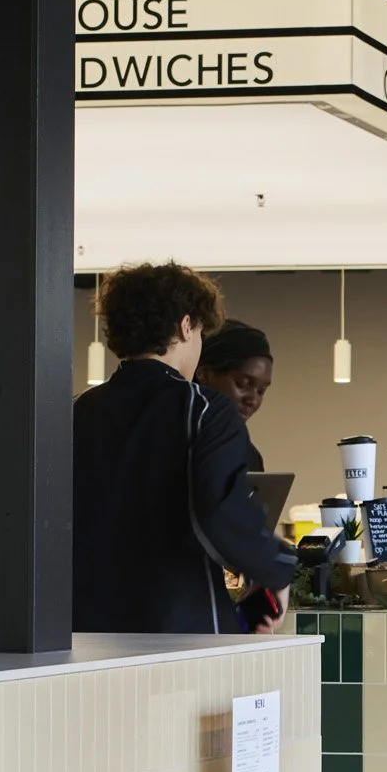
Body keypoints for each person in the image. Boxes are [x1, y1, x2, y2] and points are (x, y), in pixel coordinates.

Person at [73, 262, 296, 635]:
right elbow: (218, 514)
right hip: (178, 625)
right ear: (185, 325)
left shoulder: (78, 409)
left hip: (82, 625)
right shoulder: (204, 409)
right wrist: (276, 567)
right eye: (201, 333)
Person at [195, 319, 274, 468]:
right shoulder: (172, 439)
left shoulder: (251, 457)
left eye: (261, 391)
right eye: (243, 384)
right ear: (204, 374)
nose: (253, 400)